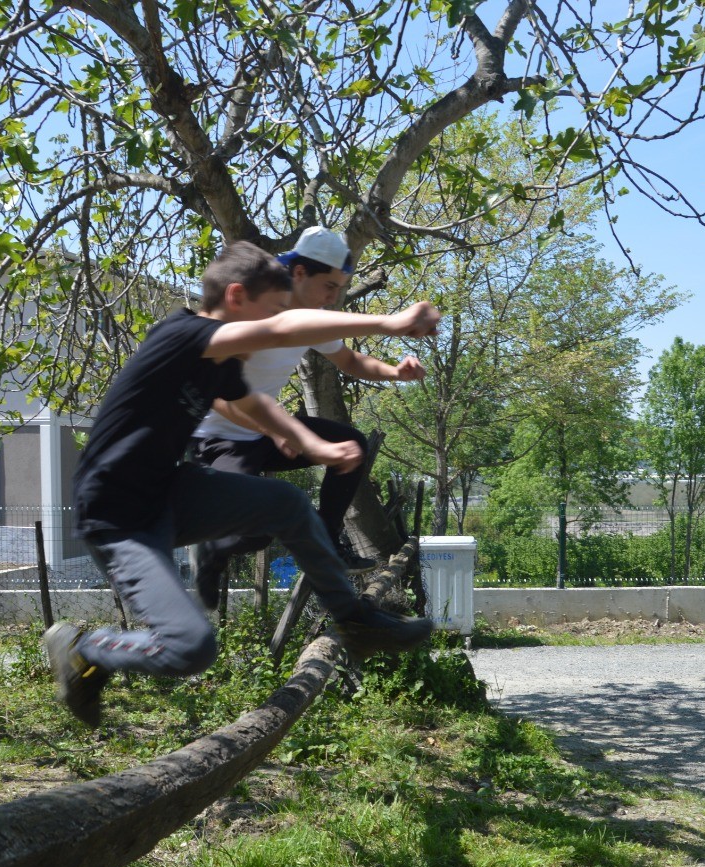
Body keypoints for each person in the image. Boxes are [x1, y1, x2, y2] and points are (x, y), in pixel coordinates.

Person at [44, 241, 438, 726]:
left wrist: (309, 444)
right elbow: (280, 329)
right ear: (235, 297)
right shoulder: (184, 333)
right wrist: (387, 321)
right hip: (116, 516)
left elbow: (254, 404)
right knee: (190, 647)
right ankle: (83, 648)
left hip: (169, 490)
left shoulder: (221, 361)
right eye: (269, 310)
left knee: (286, 503)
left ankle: (353, 621)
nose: (269, 331)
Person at [188, 226, 424, 609]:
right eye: (329, 286)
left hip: (266, 434)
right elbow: (213, 392)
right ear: (299, 273)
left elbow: (348, 360)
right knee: (257, 532)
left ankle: (326, 538)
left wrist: (395, 372)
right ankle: (212, 545)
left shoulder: (312, 317)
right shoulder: (255, 307)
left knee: (352, 444)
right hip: (221, 438)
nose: (333, 297)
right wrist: (276, 428)